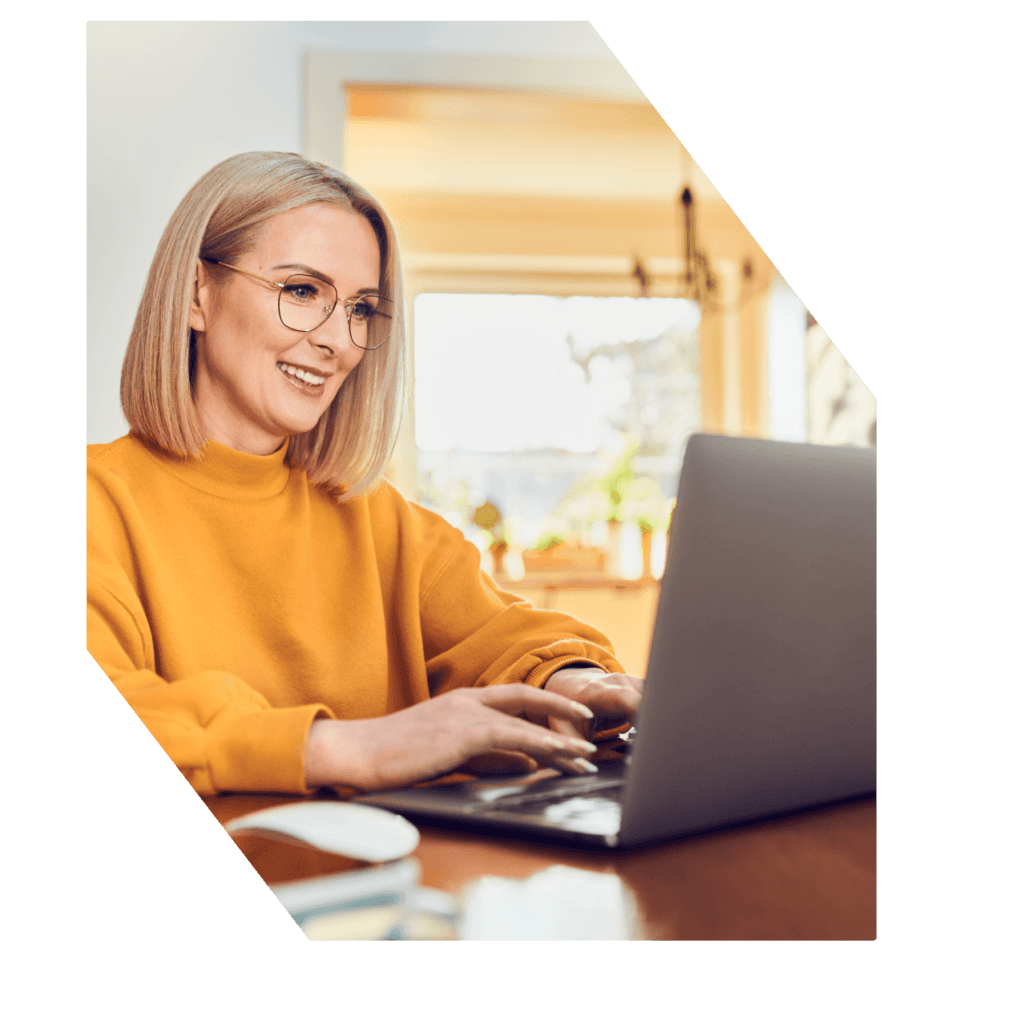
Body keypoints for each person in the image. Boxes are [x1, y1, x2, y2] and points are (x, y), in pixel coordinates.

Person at [87, 151, 643, 798]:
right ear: (195, 296)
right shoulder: (91, 503)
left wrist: (572, 682)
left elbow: (505, 634)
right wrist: (346, 748)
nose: (340, 341)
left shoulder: (378, 520)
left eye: (360, 309)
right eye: (301, 291)